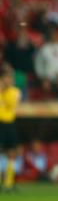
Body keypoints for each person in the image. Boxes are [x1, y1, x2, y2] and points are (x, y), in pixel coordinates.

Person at [0, 64, 22, 192]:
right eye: (8, 77)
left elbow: (11, 104)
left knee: (12, 153)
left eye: (11, 77)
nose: (10, 80)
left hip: (9, 123)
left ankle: (8, 182)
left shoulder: (15, 92)